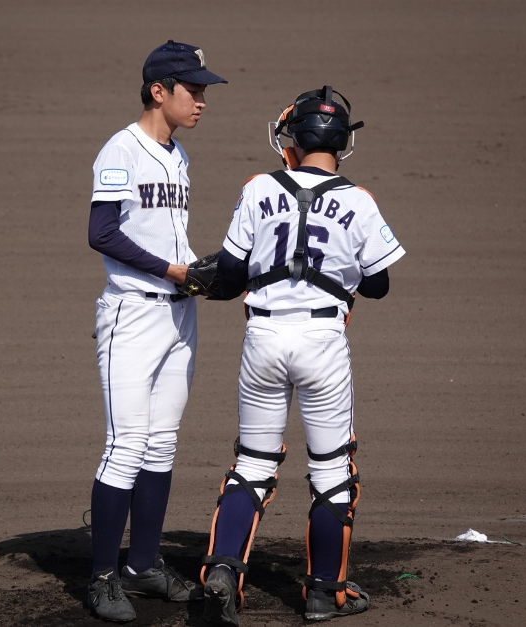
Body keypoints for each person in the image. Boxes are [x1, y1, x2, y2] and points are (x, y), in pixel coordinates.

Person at [198, 86, 405, 624]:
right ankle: (323, 594)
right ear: (342, 141)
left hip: (262, 339)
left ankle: (222, 574)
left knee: (251, 465)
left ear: (295, 136)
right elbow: (379, 285)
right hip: (322, 345)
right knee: (333, 471)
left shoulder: (258, 187)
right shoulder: (359, 200)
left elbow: (229, 273)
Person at [84, 40, 227, 623]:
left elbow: (170, 238)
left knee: (162, 443)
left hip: (178, 315)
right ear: (158, 91)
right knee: (126, 445)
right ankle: (101, 577)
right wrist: (173, 271)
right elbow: (101, 233)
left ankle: (142, 566)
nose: (202, 101)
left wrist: (201, 275)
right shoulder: (121, 149)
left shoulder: (178, 155)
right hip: (133, 314)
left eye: (204, 90)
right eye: (193, 90)